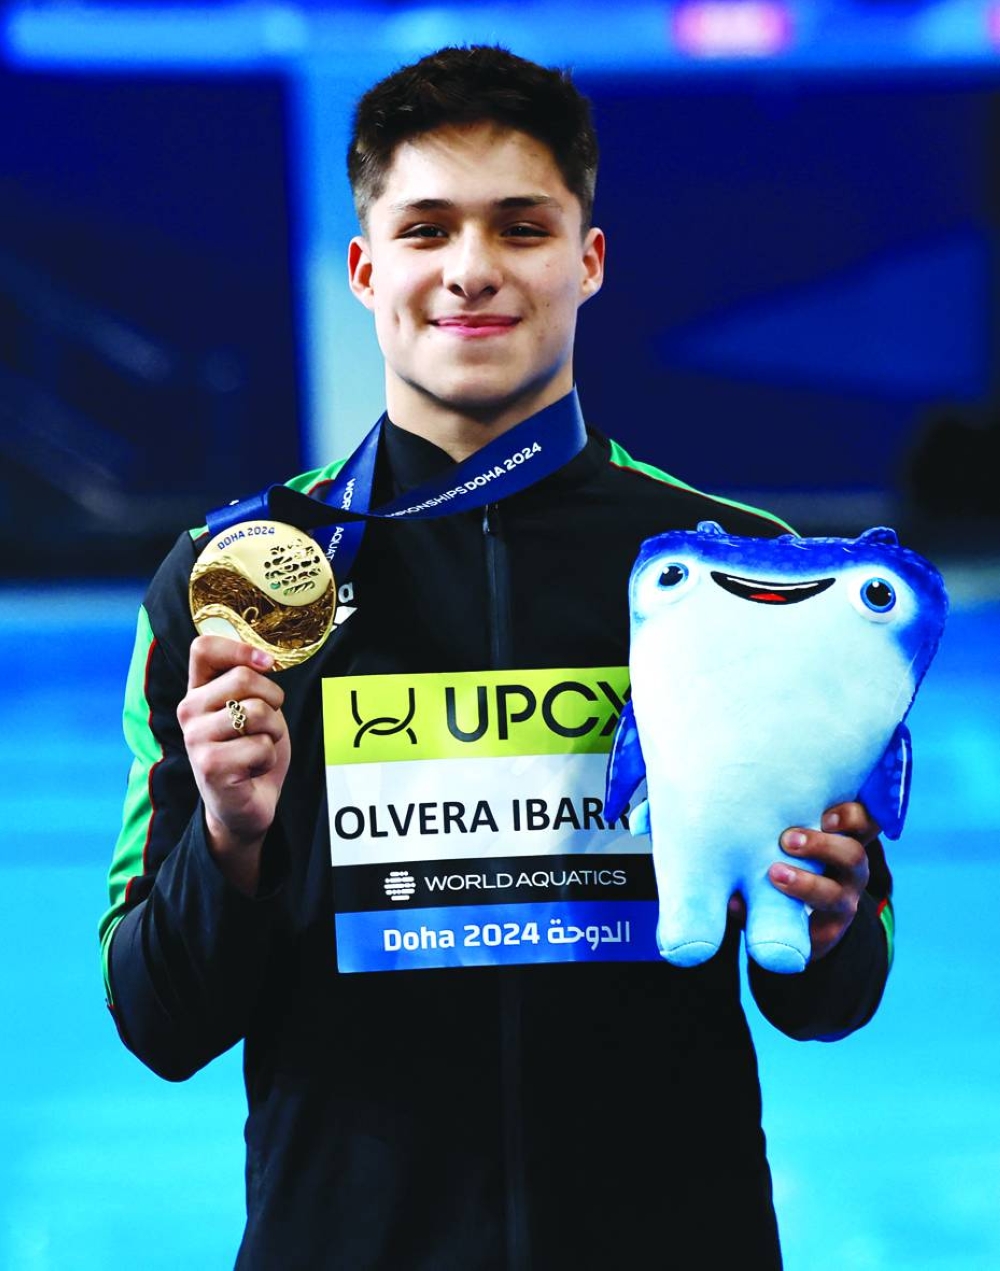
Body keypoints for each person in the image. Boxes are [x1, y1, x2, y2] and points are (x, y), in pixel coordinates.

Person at [100, 44, 894, 1270]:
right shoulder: (235, 582)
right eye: (426, 229)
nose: (471, 268)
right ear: (366, 269)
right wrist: (230, 839)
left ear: (588, 259)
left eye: (521, 227)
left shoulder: (747, 576)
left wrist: (828, 920)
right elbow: (159, 1018)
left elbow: (829, 996)